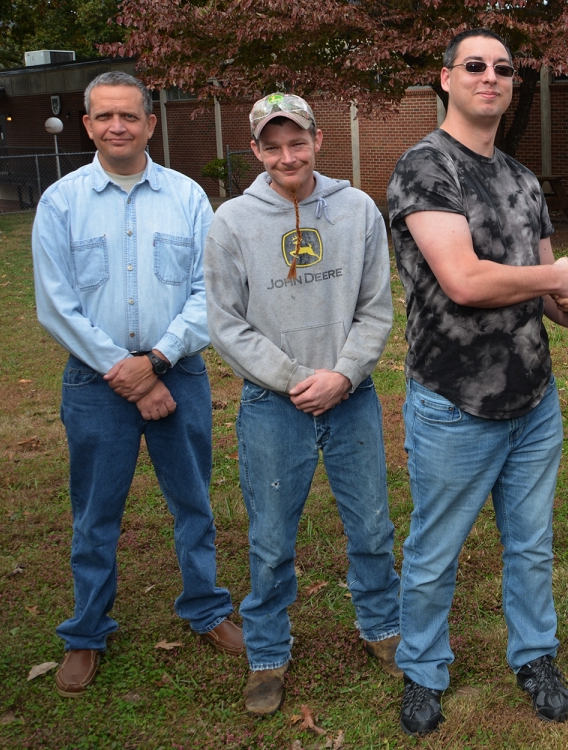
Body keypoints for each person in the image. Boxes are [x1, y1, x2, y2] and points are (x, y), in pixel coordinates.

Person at [385, 29, 568, 736]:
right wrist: (557, 275)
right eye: (475, 66)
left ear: (514, 86)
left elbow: (552, 298)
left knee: (531, 542)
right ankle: (422, 671)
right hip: (455, 402)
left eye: (504, 69)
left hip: (532, 400)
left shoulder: (520, 179)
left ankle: (535, 657)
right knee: (434, 551)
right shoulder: (424, 168)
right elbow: (464, 280)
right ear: (446, 79)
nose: (491, 77)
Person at [32, 71, 243, 697]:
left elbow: (213, 293)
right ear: (87, 123)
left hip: (180, 373)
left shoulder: (188, 198)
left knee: (193, 503)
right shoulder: (61, 202)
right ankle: (86, 631)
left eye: (129, 116)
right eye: (103, 117)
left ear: (151, 123)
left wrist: (156, 360)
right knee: (95, 514)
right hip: (94, 382)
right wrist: (124, 371)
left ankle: (206, 609)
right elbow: (55, 303)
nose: (116, 126)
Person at [204, 93, 403, 715]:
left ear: (318, 140)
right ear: (257, 150)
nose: (287, 156)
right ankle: (266, 654)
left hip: (352, 397)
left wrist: (343, 376)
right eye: (272, 145)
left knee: (371, 524)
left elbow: (376, 306)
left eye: (298, 142)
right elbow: (226, 324)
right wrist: (293, 378)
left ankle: (384, 629)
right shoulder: (232, 222)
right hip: (272, 405)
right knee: (269, 537)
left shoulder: (358, 210)